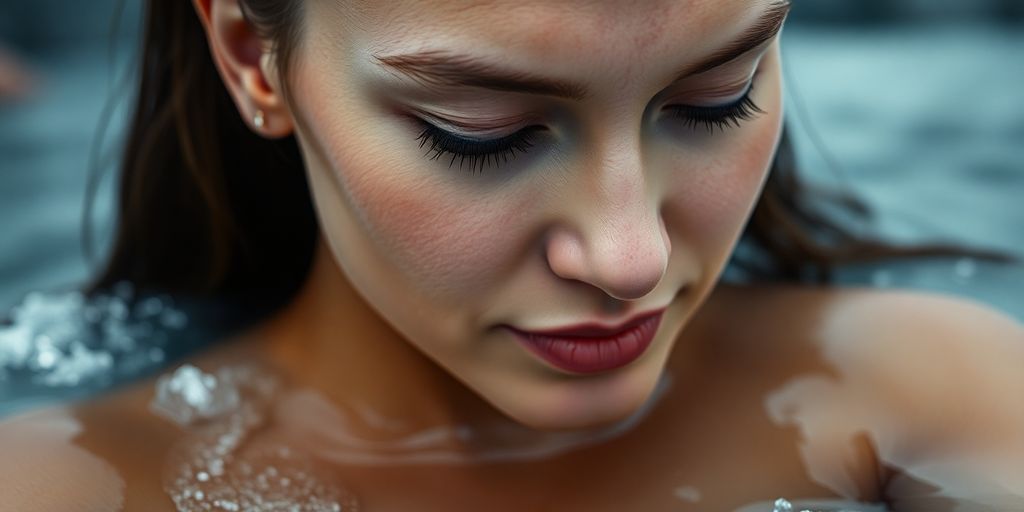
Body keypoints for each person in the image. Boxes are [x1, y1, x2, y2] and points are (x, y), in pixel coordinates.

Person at [1, 0, 1022, 510]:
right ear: (250, 57)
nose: (628, 258)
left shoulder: (923, 388)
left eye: (718, 99)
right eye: (480, 134)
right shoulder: (66, 487)